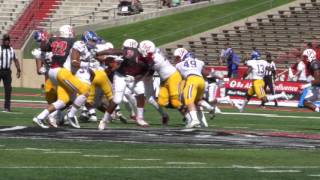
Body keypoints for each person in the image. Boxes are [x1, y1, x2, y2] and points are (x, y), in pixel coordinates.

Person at [176, 51, 208, 128]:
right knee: (197, 101)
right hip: (201, 81)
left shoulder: (179, 65)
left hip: (191, 80)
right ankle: (206, 114)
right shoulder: (199, 62)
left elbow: (178, 78)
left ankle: (194, 120)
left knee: (189, 101)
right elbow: (205, 73)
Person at [0, 34, 21, 112]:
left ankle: (7, 107)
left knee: (8, 89)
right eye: (5, 40)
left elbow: (15, 60)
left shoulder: (12, 50)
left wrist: (18, 70)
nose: (7, 41)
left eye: (8, 40)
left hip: (7, 71)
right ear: (3, 40)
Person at [300, 48, 320, 112]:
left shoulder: (314, 63)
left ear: (310, 55)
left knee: (306, 101)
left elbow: (318, 80)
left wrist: (306, 85)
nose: (304, 59)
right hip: (317, 86)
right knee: (305, 102)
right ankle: (318, 109)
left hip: (317, 85)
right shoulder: (312, 63)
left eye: (305, 57)